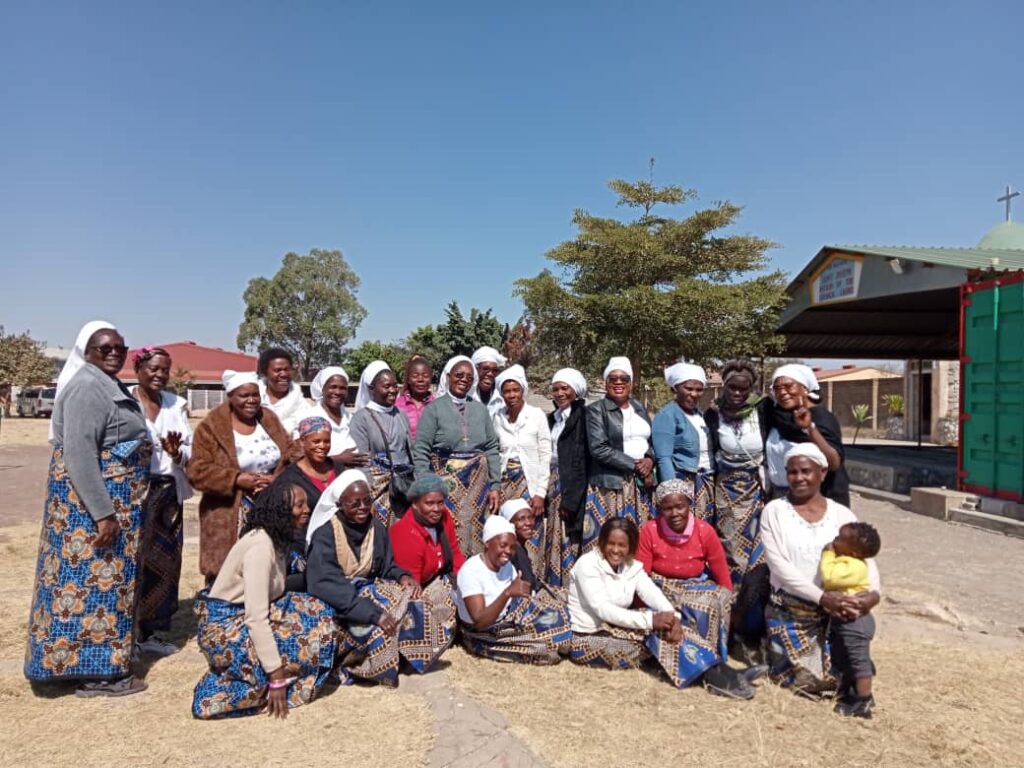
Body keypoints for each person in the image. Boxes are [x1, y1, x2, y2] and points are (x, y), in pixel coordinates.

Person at [25, 321, 152, 697]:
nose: (114, 353)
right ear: (87, 351)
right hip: (95, 511)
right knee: (92, 589)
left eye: (119, 347)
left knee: (106, 588)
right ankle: (95, 673)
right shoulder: (85, 387)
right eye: (104, 348)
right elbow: (80, 454)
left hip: (114, 504)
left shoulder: (107, 383)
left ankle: (96, 665)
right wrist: (103, 513)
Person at [192, 481, 337, 719]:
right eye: (299, 505)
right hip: (224, 626)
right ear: (280, 510)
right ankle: (242, 689)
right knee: (305, 628)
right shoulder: (261, 547)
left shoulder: (277, 540)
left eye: (306, 504)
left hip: (244, 614)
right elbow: (256, 618)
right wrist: (276, 675)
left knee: (315, 610)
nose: (307, 510)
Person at [761, 444, 880, 701]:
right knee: (808, 680)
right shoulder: (774, 512)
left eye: (806, 471)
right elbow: (779, 566)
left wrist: (872, 596)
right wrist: (822, 598)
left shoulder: (841, 514)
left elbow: (865, 560)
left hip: (837, 610)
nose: (799, 477)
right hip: (793, 610)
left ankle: (852, 672)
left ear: (822, 473)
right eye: (792, 472)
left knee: (847, 663)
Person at [305, 471, 448, 684]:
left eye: (366, 501)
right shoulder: (325, 533)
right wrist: (371, 613)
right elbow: (325, 581)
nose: (362, 508)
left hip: (365, 588)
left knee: (410, 596)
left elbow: (386, 565)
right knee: (382, 614)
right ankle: (368, 668)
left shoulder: (376, 527)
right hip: (337, 596)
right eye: (354, 504)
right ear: (341, 504)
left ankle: (411, 656)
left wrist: (402, 576)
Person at [636, 480, 760, 697]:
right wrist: (643, 609)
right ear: (659, 510)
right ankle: (718, 675)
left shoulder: (704, 531)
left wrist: (727, 606)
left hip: (695, 584)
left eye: (680, 506)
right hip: (660, 587)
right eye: (667, 508)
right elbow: (641, 577)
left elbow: (722, 574)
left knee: (716, 601)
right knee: (683, 614)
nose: (674, 513)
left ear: (690, 505)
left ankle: (719, 664)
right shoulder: (650, 531)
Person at [188, 370, 292, 583]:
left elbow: (289, 452)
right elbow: (197, 471)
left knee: (268, 569)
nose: (251, 400)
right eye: (244, 396)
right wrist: (235, 479)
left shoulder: (268, 419)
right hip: (229, 511)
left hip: (270, 505)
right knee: (229, 573)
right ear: (231, 396)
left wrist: (277, 479)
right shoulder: (211, 428)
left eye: (255, 395)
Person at [703, 359, 770, 660]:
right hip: (727, 494)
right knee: (732, 560)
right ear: (724, 386)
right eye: (732, 387)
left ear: (752, 388)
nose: (738, 393)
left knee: (759, 560)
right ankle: (730, 630)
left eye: (744, 388)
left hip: (758, 492)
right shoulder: (713, 414)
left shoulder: (763, 411)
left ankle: (753, 628)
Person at [130, 346, 193, 656]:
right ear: (138, 369)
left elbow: (190, 447)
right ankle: (129, 630)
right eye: (153, 368)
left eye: (165, 370)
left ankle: (154, 630)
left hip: (168, 493)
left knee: (167, 563)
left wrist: (177, 454)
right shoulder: (125, 402)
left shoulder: (175, 404)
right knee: (133, 560)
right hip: (133, 492)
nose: (160, 375)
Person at [413, 356, 501, 557]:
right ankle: (450, 573)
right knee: (449, 526)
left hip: (478, 485)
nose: (464, 380)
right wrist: (426, 486)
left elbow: (491, 446)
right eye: (459, 375)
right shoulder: (433, 409)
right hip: (445, 482)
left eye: (469, 377)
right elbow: (422, 449)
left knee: (477, 525)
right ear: (448, 377)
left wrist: (495, 484)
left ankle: (475, 571)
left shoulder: (480, 410)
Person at [456, 515, 571, 664]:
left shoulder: (507, 566)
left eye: (512, 547)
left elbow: (520, 596)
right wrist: (508, 592)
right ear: (487, 543)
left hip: (511, 618)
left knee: (561, 613)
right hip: (483, 633)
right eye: (503, 545)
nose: (508, 552)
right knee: (545, 652)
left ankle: (562, 638)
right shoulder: (471, 571)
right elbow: (480, 622)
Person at [387, 474, 464, 667]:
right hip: (413, 589)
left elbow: (454, 553)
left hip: (436, 579)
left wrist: (466, 582)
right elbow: (413, 585)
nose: (436, 509)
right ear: (414, 504)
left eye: (440, 502)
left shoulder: (444, 518)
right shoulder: (406, 533)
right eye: (429, 503)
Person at [581, 357, 655, 554]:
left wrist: (649, 459)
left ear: (631, 383)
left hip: (640, 484)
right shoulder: (596, 410)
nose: (619, 382)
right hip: (611, 486)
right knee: (608, 541)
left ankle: (633, 581)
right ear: (606, 383)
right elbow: (599, 448)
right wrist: (637, 466)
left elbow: (651, 441)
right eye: (613, 379)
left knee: (636, 538)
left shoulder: (639, 408)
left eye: (624, 378)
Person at [493, 364, 551, 577]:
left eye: (515, 390)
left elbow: (545, 456)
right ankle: (508, 579)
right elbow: (494, 451)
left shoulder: (536, 416)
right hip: (506, 483)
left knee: (530, 531)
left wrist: (540, 493)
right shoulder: (497, 417)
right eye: (506, 391)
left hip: (529, 485)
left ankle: (532, 579)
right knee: (507, 532)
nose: (511, 395)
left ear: (523, 390)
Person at [819, 521, 882, 718]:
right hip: (846, 622)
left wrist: (827, 554)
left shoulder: (854, 566)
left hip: (856, 622)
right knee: (844, 657)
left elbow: (830, 577)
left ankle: (863, 702)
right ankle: (850, 692)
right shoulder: (849, 560)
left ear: (854, 552)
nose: (834, 540)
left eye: (840, 539)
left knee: (858, 661)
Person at [765, 364, 850, 506]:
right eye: (777, 388)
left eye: (788, 386)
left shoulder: (821, 418)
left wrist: (809, 429)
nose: (782, 392)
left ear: (804, 388)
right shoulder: (778, 417)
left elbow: (834, 463)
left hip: (815, 497)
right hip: (779, 497)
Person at [276, 415, 338, 589]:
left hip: (339, 542)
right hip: (305, 545)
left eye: (326, 441)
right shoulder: (290, 477)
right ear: (303, 441)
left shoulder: (338, 470)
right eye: (316, 441)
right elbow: (287, 521)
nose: (322, 447)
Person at [349, 361, 414, 527]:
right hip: (379, 491)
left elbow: (409, 451)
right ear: (372, 389)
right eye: (386, 386)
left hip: (403, 488)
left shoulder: (401, 415)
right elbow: (362, 461)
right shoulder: (361, 419)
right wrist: (369, 495)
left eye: (394, 385)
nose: (392, 390)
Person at [543, 368, 590, 588]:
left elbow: (581, 460)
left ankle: (572, 588)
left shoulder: (584, 418)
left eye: (565, 388)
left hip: (572, 486)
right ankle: (556, 584)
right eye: (556, 389)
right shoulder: (553, 418)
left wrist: (571, 499)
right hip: (554, 484)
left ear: (576, 391)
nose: (560, 393)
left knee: (571, 537)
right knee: (554, 536)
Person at [651, 362, 714, 520]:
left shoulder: (699, 415)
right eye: (688, 388)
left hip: (706, 482)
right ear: (676, 389)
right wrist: (673, 493)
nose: (694, 394)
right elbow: (663, 458)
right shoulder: (667, 415)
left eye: (699, 390)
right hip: (684, 484)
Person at [304, 365, 367, 467]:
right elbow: (299, 457)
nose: (337, 392)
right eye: (333, 387)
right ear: (322, 388)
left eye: (342, 388)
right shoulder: (309, 418)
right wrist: (337, 460)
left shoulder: (351, 418)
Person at [257, 347, 308, 434]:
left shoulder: (303, 407)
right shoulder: (250, 399)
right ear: (265, 372)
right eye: (278, 370)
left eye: (287, 369)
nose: (284, 374)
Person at [499, 499, 542, 592]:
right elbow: (529, 585)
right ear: (510, 524)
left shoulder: (519, 547)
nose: (528, 523)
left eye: (530, 517)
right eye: (521, 519)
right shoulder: (515, 551)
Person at [395, 355, 435, 442]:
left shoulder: (438, 406)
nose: (420, 379)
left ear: (431, 379)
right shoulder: (397, 406)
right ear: (408, 379)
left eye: (425, 376)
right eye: (415, 376)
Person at [469, 345, 507, 416]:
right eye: (485, 369)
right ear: (475, 369)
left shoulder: (502, 397)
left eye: (494, 370)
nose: (490, 374)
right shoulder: (466, 395)